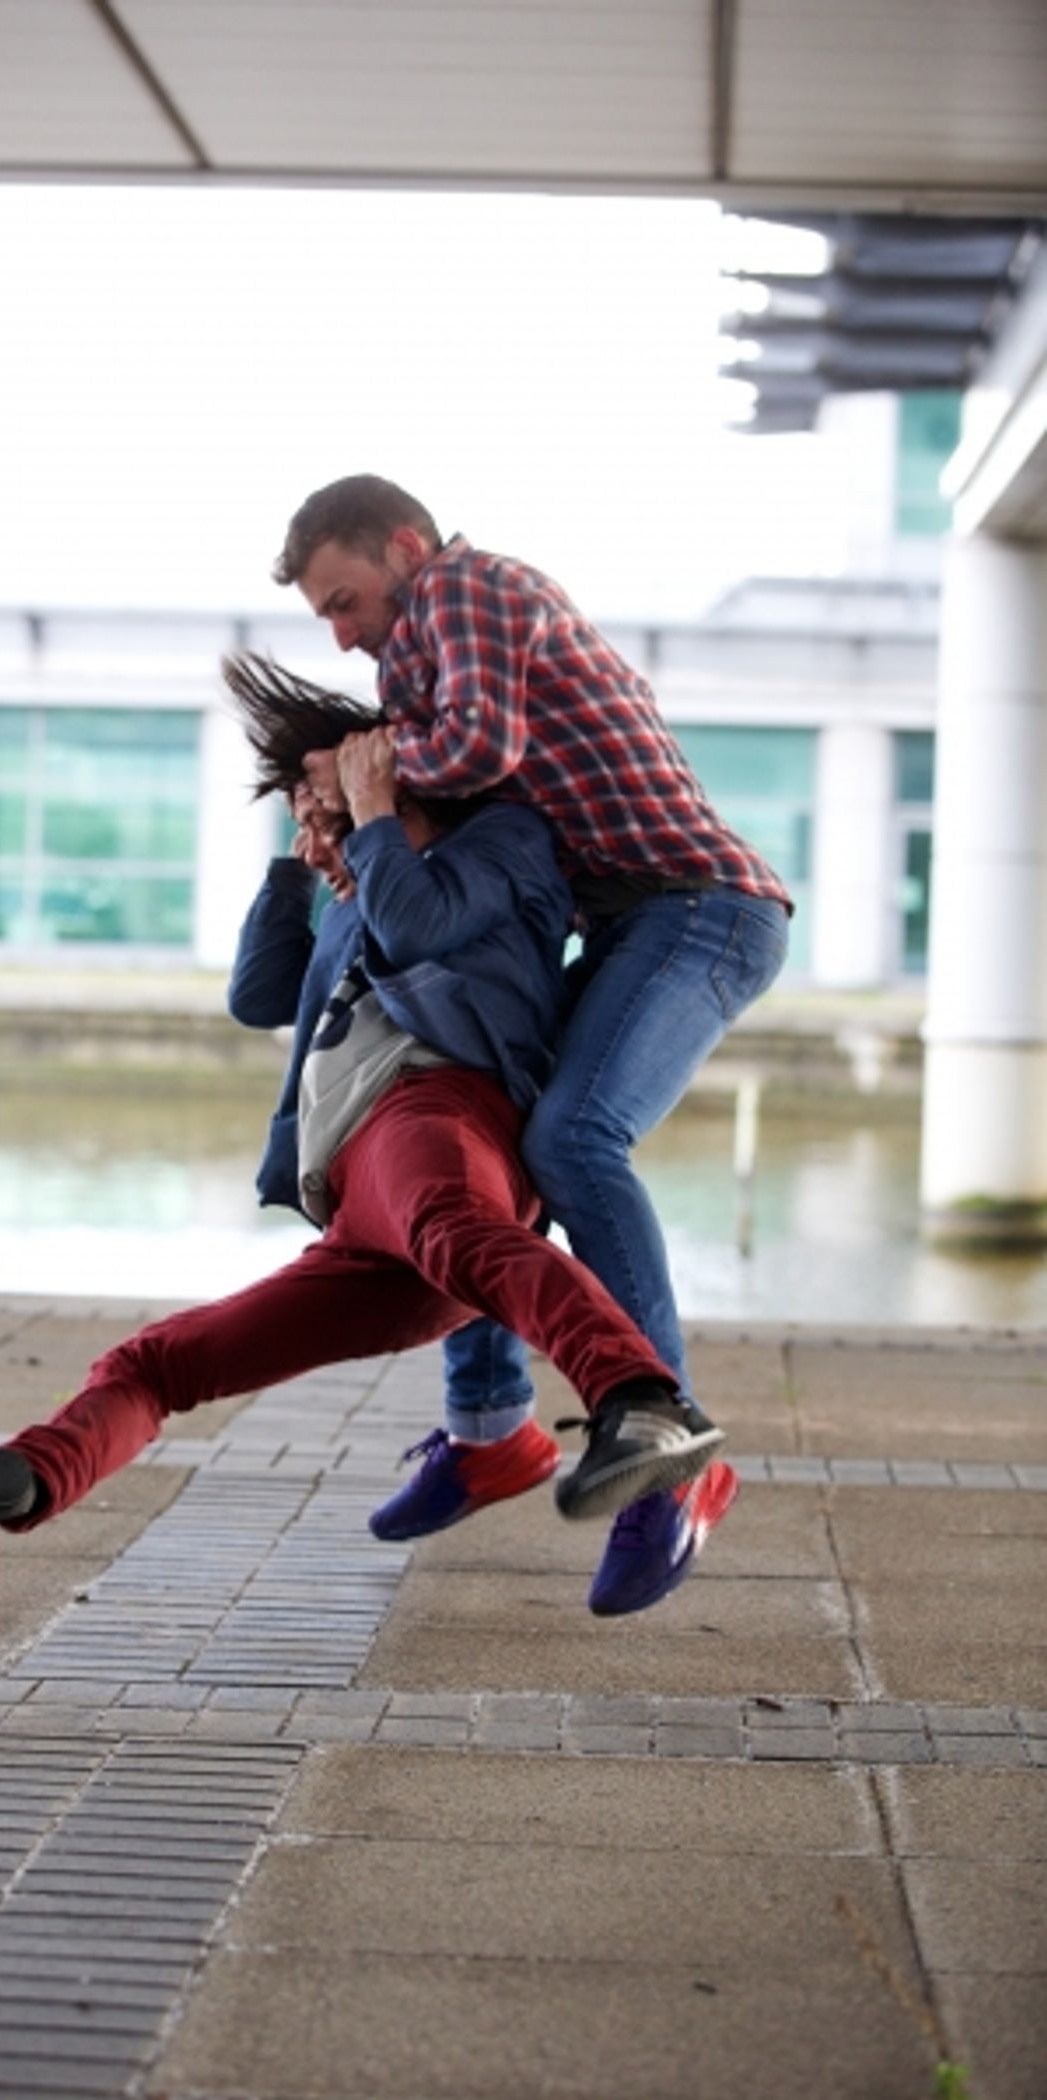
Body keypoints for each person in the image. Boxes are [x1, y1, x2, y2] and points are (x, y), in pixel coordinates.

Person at [0, 657, 723, 1544]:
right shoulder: (357, 897)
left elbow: (418, 926)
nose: (322, 844)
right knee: (161, 1359)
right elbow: (257, 997)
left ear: (396, 796)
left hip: (437, 1114)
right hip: (364, 1218)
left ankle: (643, 1402)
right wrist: (295, 872)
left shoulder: (496, 848)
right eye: (305, 826)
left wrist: (369, 813)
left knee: (459, 1229)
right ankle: (35, 1470)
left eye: (327, 819)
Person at [275, 474, 790, 1610]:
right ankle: (489, 1429)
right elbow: (442, 815)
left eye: (345, 601)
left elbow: (472, 751)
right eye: (325, 618)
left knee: (573, 1141)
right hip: (624, 920)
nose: (342, 635)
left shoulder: (468, 588)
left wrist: (365, 780)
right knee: (493, 1154)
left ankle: (669, 1451)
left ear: (405, 547)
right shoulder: (409, 664)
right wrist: (336, 814)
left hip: (701, 908)